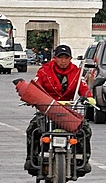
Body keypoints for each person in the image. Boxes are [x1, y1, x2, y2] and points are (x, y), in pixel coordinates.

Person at [25, 45, 93, 173]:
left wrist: (89, 97)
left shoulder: (76, 72)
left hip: (68, 111)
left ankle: (83, 159)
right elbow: (36, 85)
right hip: (47, 110)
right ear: (54, 58)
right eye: (60, 57)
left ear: (70, 59)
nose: (63, 61)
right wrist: (32, 96)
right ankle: (31, 159)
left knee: (85, 130)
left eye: (66, 58)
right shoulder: (44, 71)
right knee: (33, 129)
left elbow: (83, 87)